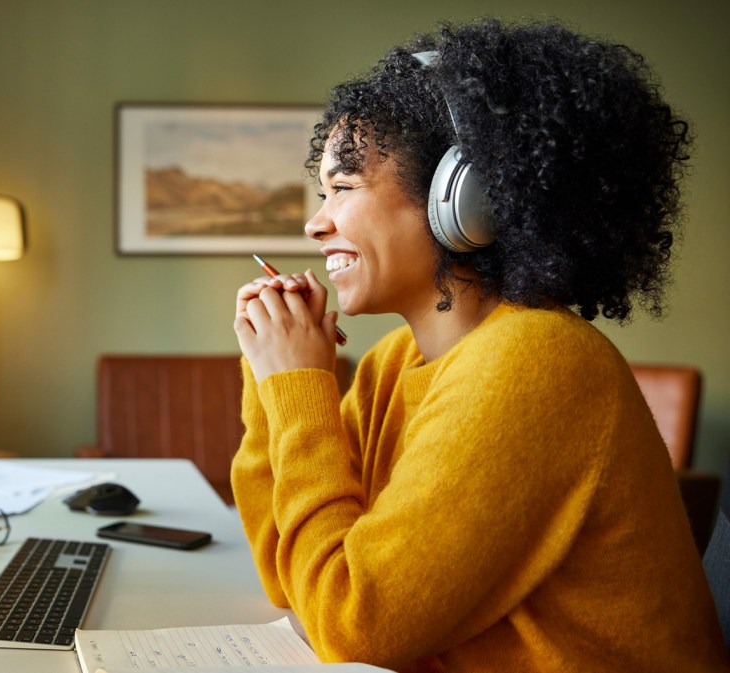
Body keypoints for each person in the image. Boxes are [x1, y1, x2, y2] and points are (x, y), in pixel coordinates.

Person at [230, 18, 727, 671]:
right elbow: (292, 572)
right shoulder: (393, 364)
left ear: (464, 200)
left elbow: (353, 621)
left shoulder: (534, 360)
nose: (315, 222)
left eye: (343, 189)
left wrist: (297, 387)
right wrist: (273, 381)